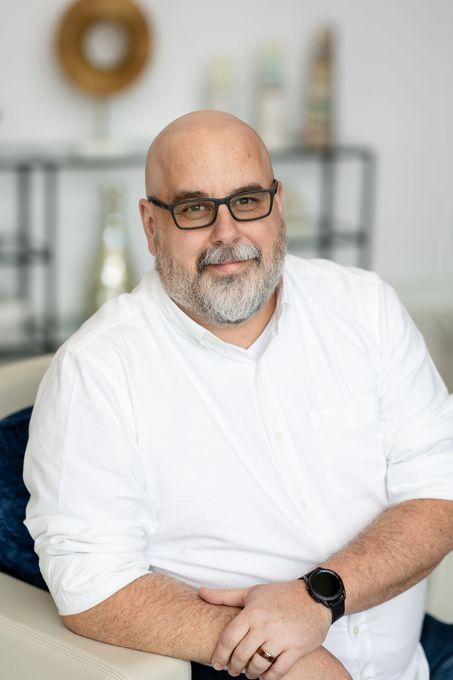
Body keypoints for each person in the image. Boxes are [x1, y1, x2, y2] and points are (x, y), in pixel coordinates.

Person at [24, 110, 453, 680]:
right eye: (195, 208)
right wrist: (274, 649)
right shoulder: (96, 370)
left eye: (247, 201)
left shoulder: (363, 308)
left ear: (277, 204)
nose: (227, 235)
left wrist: (317, 598)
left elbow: (439, 487)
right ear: (151, 226)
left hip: (416, 660)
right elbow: (91, 583)